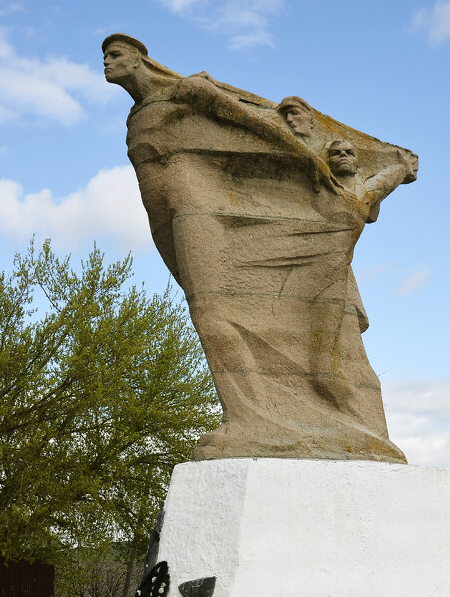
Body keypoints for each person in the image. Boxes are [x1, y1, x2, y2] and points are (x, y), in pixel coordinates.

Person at [103, 34, 417, 463]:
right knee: (210, 310)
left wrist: (305, 150)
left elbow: (250, 122)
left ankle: (250, 419)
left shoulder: (186, 92)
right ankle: (261, 417)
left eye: (115, 54)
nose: (106, 61)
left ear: (140, 58)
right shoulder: (138, 114)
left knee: (211, 311)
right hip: (167, 214)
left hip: (208, 211)